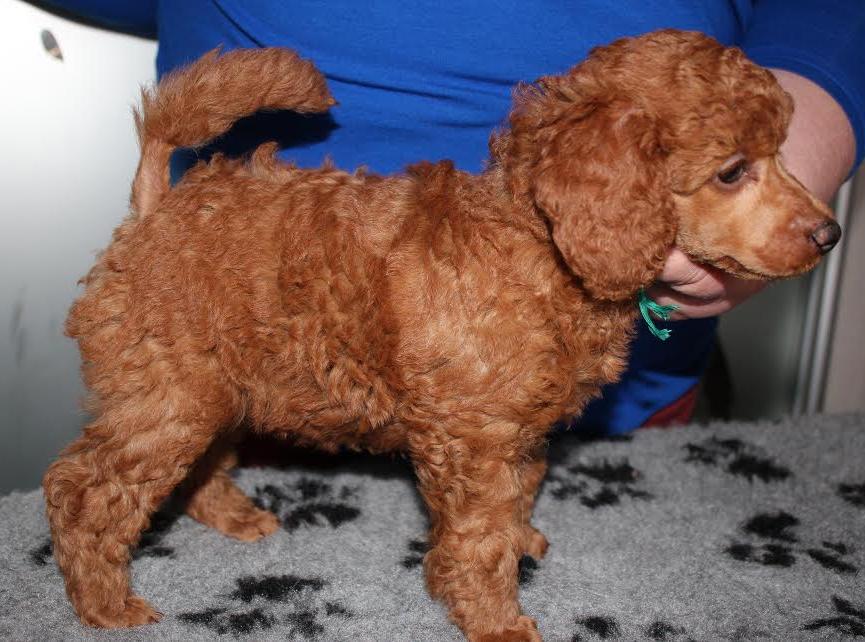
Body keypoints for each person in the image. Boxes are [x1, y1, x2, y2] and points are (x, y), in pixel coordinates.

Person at [44, 0, 863, 433]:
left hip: (638, 381)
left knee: (525, 427)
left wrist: (772, 154)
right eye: (738, 172)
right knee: (198, 413)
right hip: (252, 300)